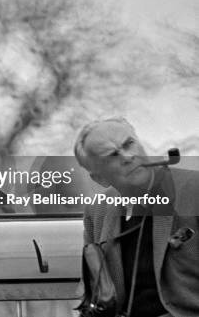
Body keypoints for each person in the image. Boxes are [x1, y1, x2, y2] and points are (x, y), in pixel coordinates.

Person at [74, 117, 199, 317]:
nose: (127, 157)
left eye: (129, 144)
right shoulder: (97, 211)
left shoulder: (194, 189)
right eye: (112, 155)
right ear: (100, 178)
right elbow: (90, 293)